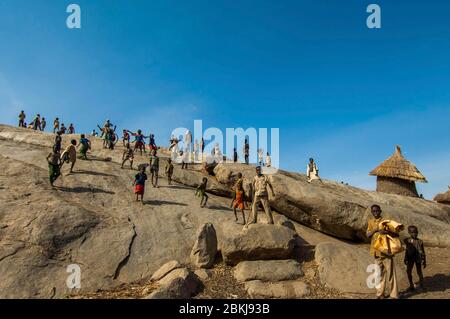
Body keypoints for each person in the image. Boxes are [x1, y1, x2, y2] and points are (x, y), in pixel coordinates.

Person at [366, 204, 399, 299]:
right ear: (372, 212)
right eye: (374, 211)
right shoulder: (371, 222)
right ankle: (380, 294)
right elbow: (368, 235)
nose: (375, 213)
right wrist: (375, 230)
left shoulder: (386, 221)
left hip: (386, 252)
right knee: (378, 274)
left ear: (380, 211)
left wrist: (387, 232)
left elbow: (396, 234)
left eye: (377, 211)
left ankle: (394, 295)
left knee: (391, 274)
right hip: (376, 252)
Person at [404, 226, 426, 292]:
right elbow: (407, 250)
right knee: (408, 271)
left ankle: (422, 286)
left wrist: (424, 260)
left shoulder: (420, 241)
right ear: (409, 232)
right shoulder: (407, 240)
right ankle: (411, 285)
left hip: (418, 258)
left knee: (419, 271)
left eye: (416, 232)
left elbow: (423, 251)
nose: (414, 234)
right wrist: (405, 258)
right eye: (412, 232)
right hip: (410, 258)